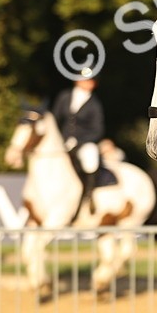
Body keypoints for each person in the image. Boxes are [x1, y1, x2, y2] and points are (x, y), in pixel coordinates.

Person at [52, 68, 105, 214]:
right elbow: (55, 120)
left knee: (90, 159)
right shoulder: (64, 97)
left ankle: (89, 194)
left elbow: (97, 129)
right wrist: (59, 139)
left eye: (90, 80)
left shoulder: (95, 104)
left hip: (84, 142)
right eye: (84, 79)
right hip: (63, 141)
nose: (87, 83)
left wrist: (79, 141)